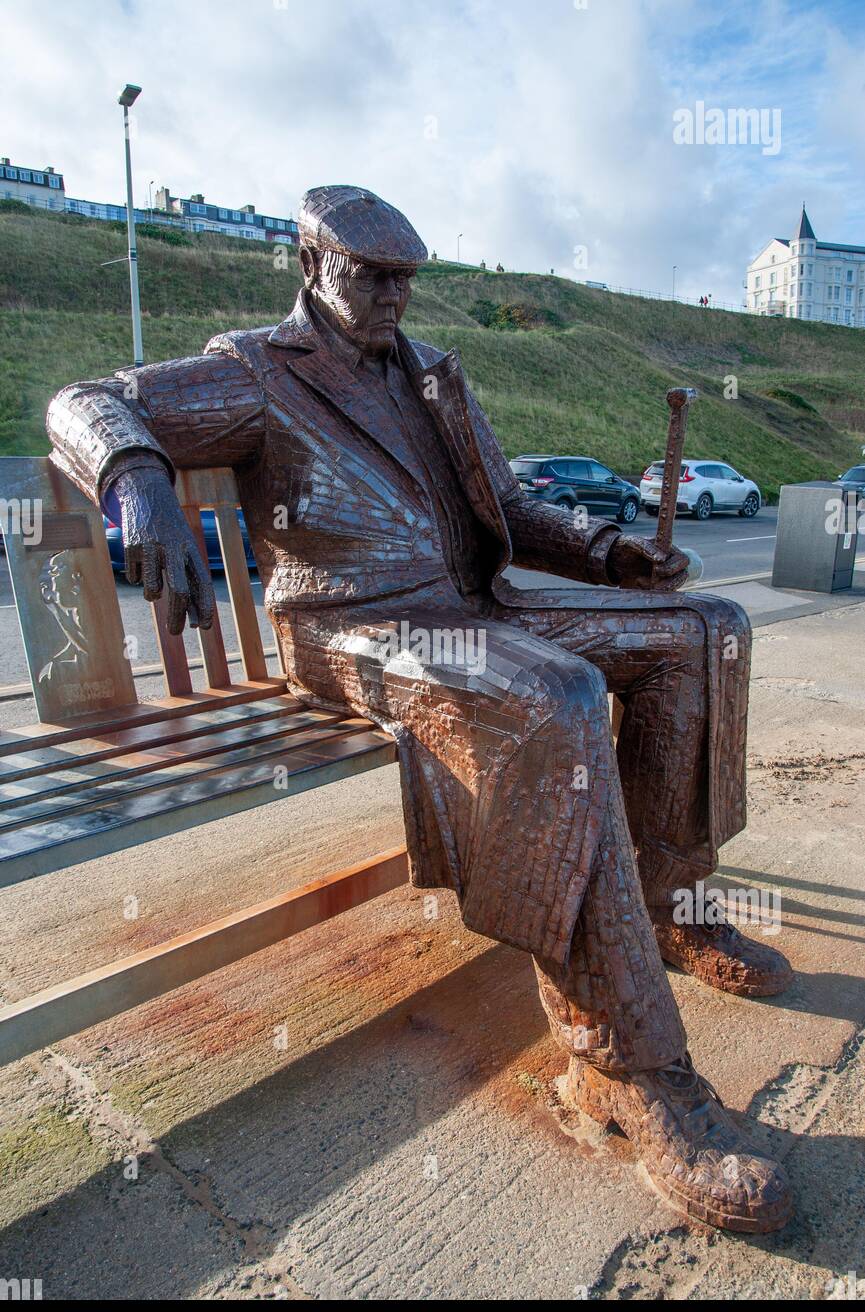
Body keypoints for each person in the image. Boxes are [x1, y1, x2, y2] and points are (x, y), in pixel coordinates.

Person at [46, 185, 792, 1232]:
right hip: (353, 629)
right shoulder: (255, 371)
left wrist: (606, 552)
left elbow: (510, 507)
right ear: (312, 264)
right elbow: (85, 396)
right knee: (553, 695)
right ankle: (623, 1060)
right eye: (373, 274)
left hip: (471, 611)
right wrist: (138, 480)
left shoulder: (435, 374)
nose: (397, 294)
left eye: (408, 275)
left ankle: (659, 905)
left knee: (706, 630)